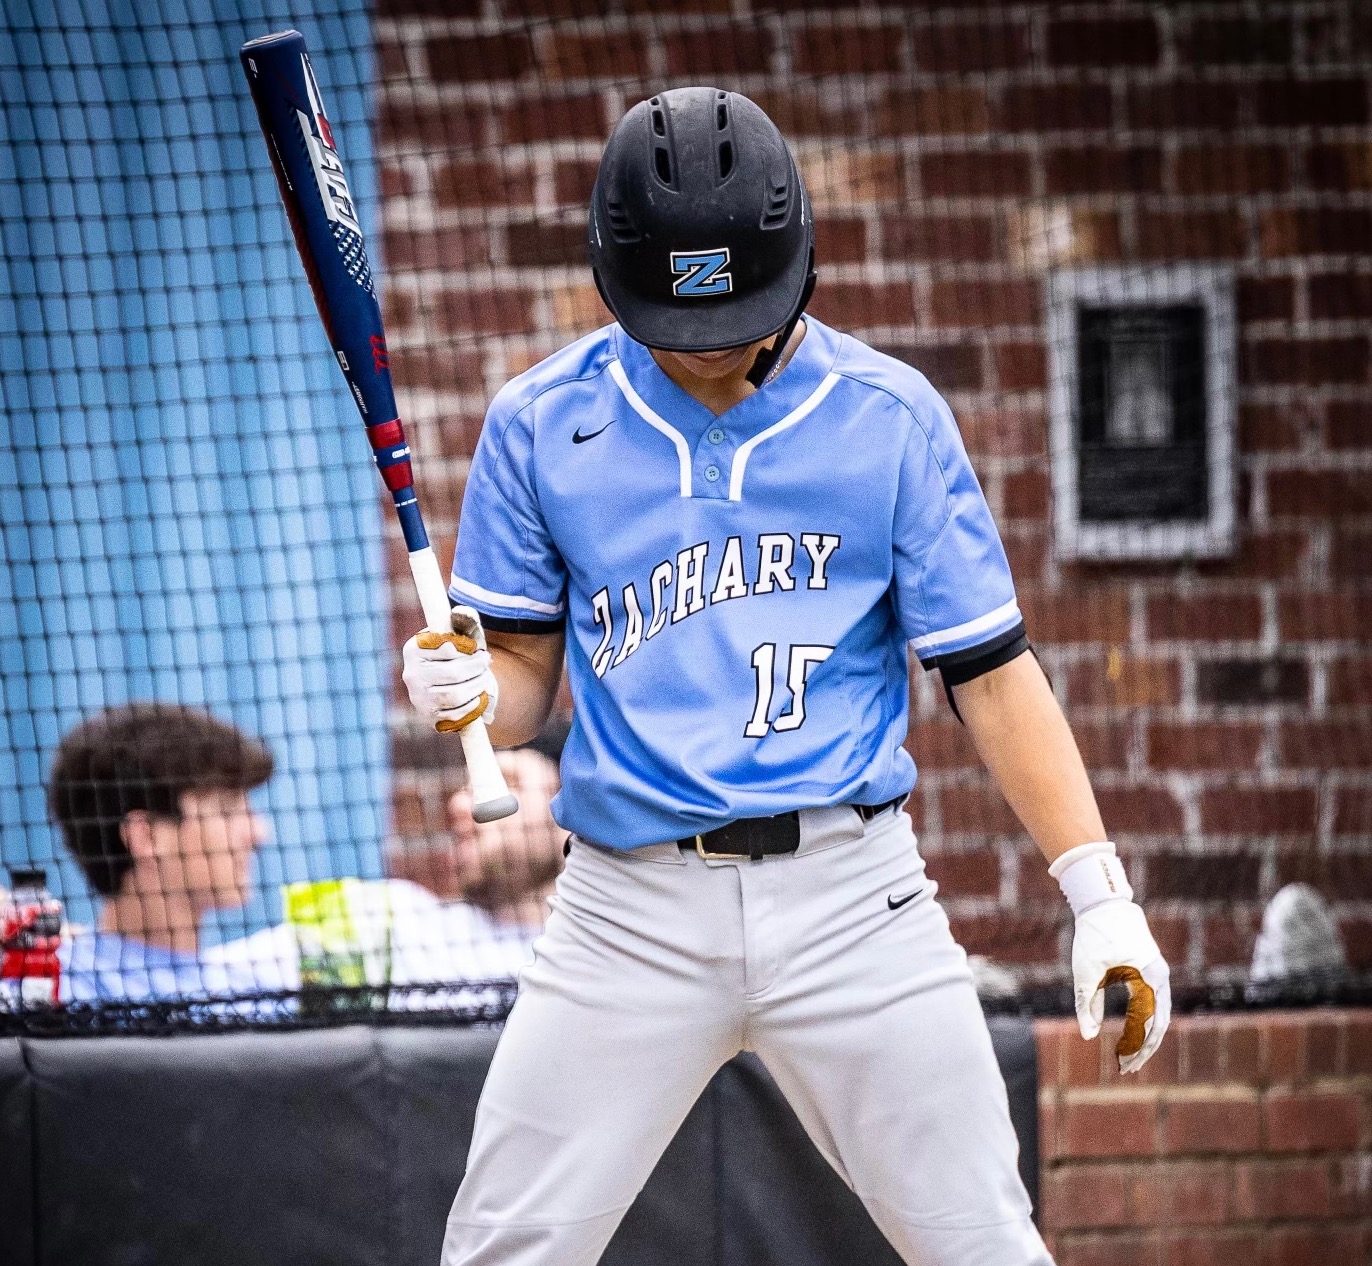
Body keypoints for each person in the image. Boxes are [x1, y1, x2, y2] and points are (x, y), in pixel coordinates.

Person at [403, 87, 1172, 1266]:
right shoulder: (540, 421)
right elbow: (518, 685)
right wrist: (464, 692)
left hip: (853, 900)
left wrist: (1098, 894)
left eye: (734, 318)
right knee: (503, 1252)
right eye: (678, 322)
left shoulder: (888, 415)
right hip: (625, 913)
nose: (709, 348)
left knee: (987, 1250)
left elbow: (990, 671)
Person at [46, 702, 279, 1002]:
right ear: (146, 836)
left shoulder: (254, 985)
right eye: (226, 810)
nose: (258, 833)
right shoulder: (58, 989)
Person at [386, 746, 565, 978]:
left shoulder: (598, 955)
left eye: (505, 782)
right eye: (464, 788)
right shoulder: (404, 927)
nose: (459, 804)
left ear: (571, 821)